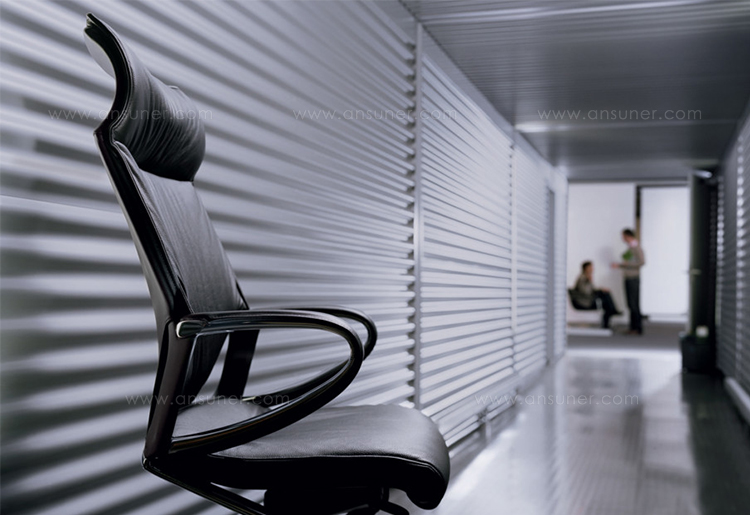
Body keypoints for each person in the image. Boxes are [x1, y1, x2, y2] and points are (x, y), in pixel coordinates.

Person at [611, 228, 645, 335]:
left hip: (633, 278)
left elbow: (642, 261)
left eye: (623, 236)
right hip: (629, 277)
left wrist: (625, 264)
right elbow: (627, 261)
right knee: (631, 304)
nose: (622, 238)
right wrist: (620, 265)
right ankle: (633, 327)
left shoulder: (636, 247)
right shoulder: (630, 248)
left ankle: (636, 327)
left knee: (633, 303)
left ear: (627, 236)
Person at [571, 261, 621, 329]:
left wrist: (600, 289)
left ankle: (610, 315)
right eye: (590, 267)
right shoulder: (583, 278)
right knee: (606, 302)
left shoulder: (587, 277)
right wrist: (590, 281)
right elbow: (586, 292)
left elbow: (591, 290)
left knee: (606, 296)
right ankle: (611, 312)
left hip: (588, 299)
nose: (592, 268)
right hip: (584, 302)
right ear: (586, 268)